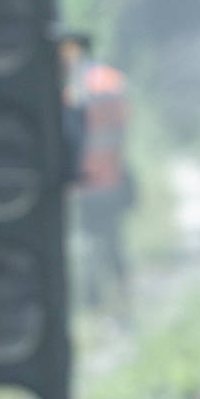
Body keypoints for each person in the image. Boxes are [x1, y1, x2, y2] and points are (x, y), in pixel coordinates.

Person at [59, 31, 133, 316]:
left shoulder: (74, 89)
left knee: (87, 243)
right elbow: (124, 126)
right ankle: (122, 303)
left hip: (83, 182)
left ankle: (92, 305)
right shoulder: (114, 81)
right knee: (113, 242)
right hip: (112, 177)